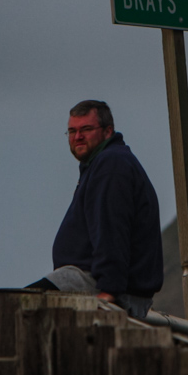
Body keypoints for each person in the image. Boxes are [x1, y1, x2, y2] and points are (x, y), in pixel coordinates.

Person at [26, 100, 163, 319]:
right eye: (72, 131)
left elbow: (111, 229)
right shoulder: (104, 163)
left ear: (108, 131)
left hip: (98, 286)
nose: (77, 137)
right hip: (93, 282)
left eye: (86, 129)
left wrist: (109, 290)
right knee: (18, 308)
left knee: (19, 309)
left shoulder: (111, 166)